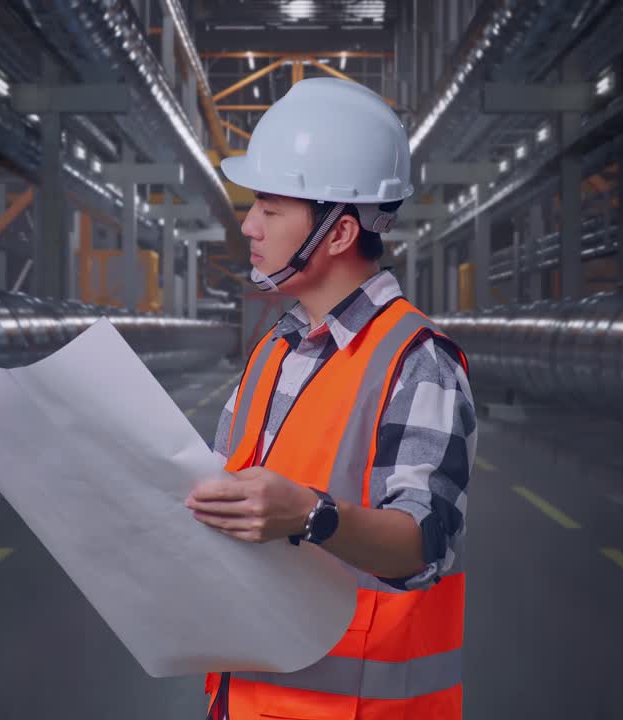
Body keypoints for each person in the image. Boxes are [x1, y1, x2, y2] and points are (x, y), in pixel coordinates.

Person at [183, 77, 478, 720]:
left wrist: (310, 515)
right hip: (244, 703)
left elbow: (424, 541)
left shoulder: (417, 361)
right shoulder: (275, 349)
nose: (248, 224)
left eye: (269, 206)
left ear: (339, 234)